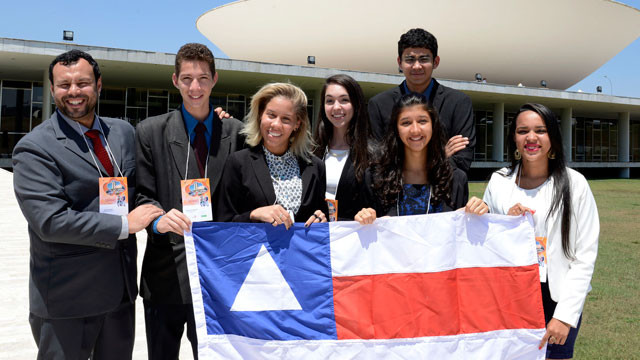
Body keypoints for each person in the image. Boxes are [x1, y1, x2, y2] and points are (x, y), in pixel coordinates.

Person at [12, 49, 163, 359]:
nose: (74, 92)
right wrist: (124, 225)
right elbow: (50, 221)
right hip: (68, 301)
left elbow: (146, 177)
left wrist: (214, 118)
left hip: (120, 293)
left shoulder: (121, 133)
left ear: (98, 85)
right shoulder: (35, 148)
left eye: (82, 83)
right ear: (52, 89)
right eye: (64, 85)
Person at [135, 43, 245, 359]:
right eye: (187, 79)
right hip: (165, 273)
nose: (195, 87)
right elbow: (141, 194)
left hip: (219, 277)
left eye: (202, 78)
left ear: (215, 79)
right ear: (174, 80)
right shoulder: (149, 131)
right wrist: (156, 220)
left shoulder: (237, 132)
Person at [483, 103, 599, 359]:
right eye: (523, 131)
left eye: (540, 130)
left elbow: (585, 256)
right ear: (514, 137)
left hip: (556, 296)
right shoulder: (499, 181)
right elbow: (487, 242)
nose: (531, 138)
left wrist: (565, 317)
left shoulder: (574, 184)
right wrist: (506, 221)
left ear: (552, 137)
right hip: (509, 297)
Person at [355, 93, 486, 224]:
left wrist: (478, 211)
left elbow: (461, 233)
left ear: (433, 125)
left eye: (422, 121)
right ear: (396, 129)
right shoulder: (374, 178)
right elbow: (363, 233)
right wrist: (363, 218)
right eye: (406, 123)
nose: (415, 130)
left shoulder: (455, 179)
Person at [215, 82, 328, 226]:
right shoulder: (238, 162)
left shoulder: (315, 167)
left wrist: (322, 219)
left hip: (300, 248)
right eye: (271, 115)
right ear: (261, 115)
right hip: (255, 248)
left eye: (286, 119)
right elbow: (223, 222)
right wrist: (254, 214)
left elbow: (322, 217)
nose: (276, 124)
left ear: (297, 124)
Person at [367, 28, 476, 173]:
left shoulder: (459, 103)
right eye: (410, 59)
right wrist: (441, 156)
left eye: (424, 59)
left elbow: (462, 160)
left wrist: (400, 159)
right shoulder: (379, 105)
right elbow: (377, 160)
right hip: (393, 192)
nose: (417, 66)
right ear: (399, 62)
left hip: (443, 193)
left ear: (435, 61)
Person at [312, 74, 371, 221]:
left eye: (344, 100)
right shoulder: (312, 151)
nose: (336, 107)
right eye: (330, 101)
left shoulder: (372, 154)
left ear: (356, 104)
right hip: (318, 237)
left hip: (354, 237)